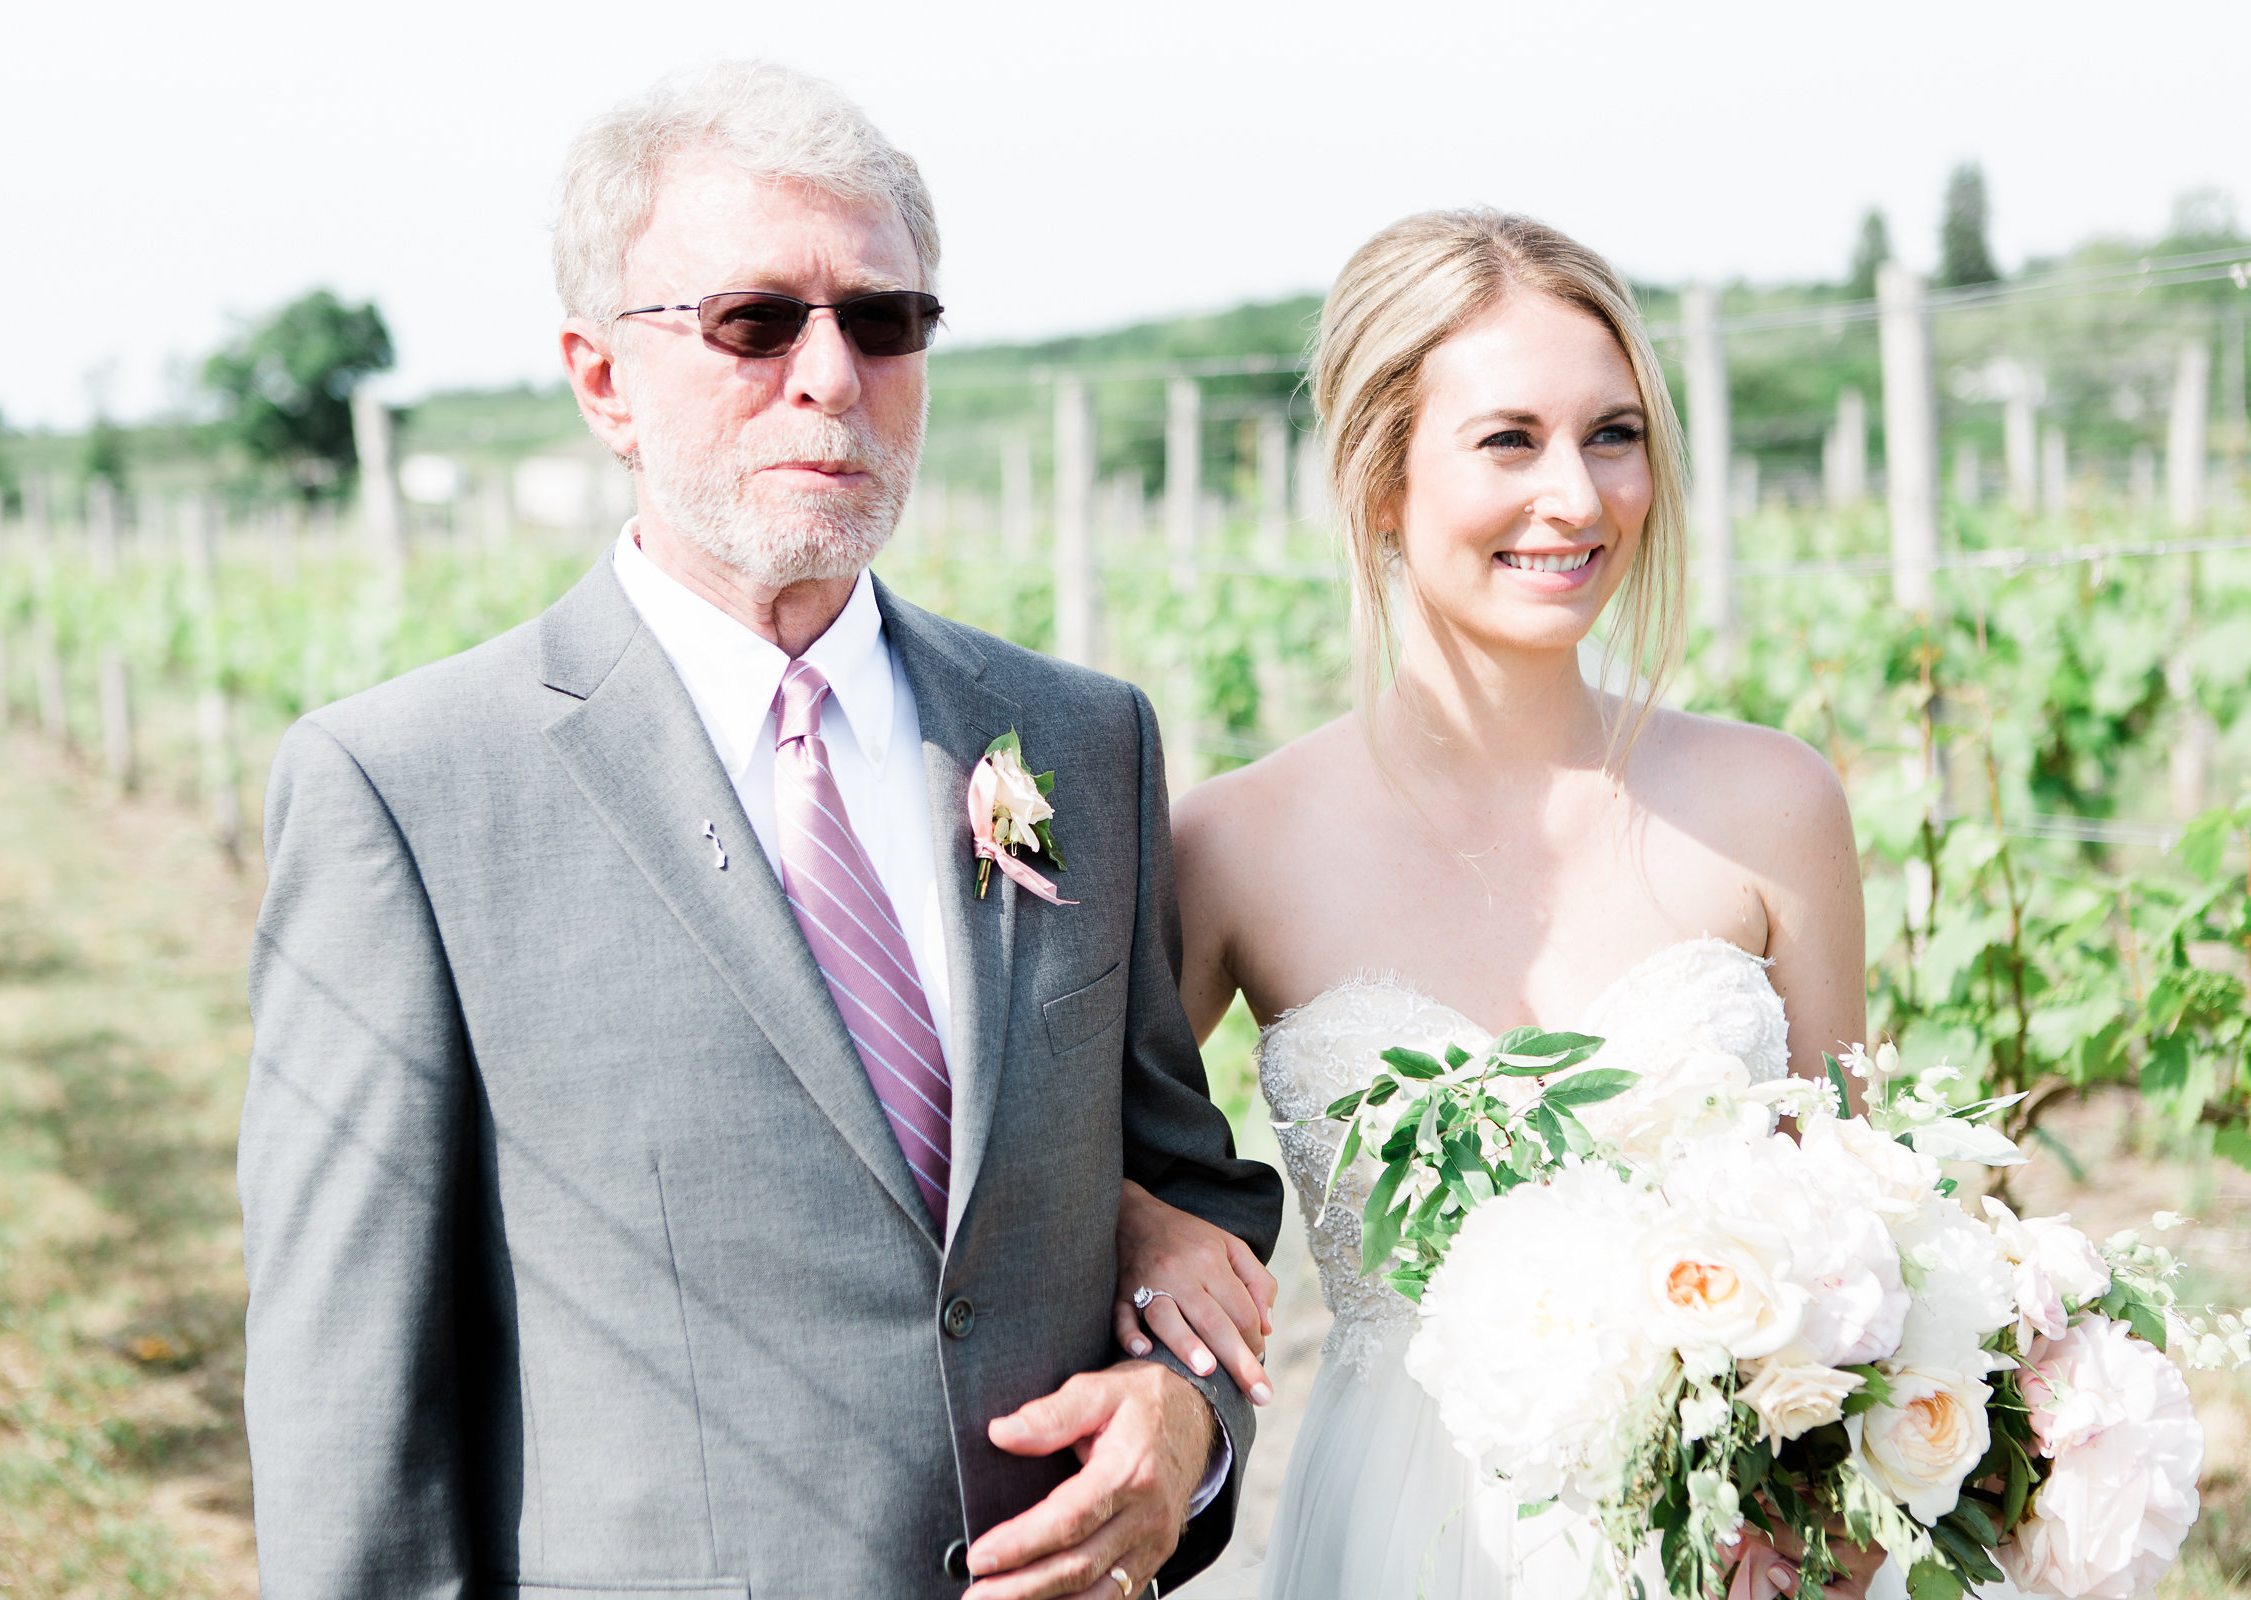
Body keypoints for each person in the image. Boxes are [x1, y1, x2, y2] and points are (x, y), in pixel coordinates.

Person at [237, 61, 1281, 1600]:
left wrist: (1187, 1422)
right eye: (754, 321)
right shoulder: (408, 792)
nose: (832, 376)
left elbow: (1179, 1190)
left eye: (884, 319)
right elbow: (352, 1404)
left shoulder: (1075, 741)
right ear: (603, 379)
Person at [1113, 210, 1875, 1598]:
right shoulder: (1233, 842)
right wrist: (1135, 1215)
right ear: (1379, 481)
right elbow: (1047, 1160)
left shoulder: (1776, 806)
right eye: (1509, 441)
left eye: (1613, 435)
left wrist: (1835, 1510)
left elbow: (1859, 1228)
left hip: (1724, 1552)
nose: (1576, 497)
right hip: (1399, 1538)